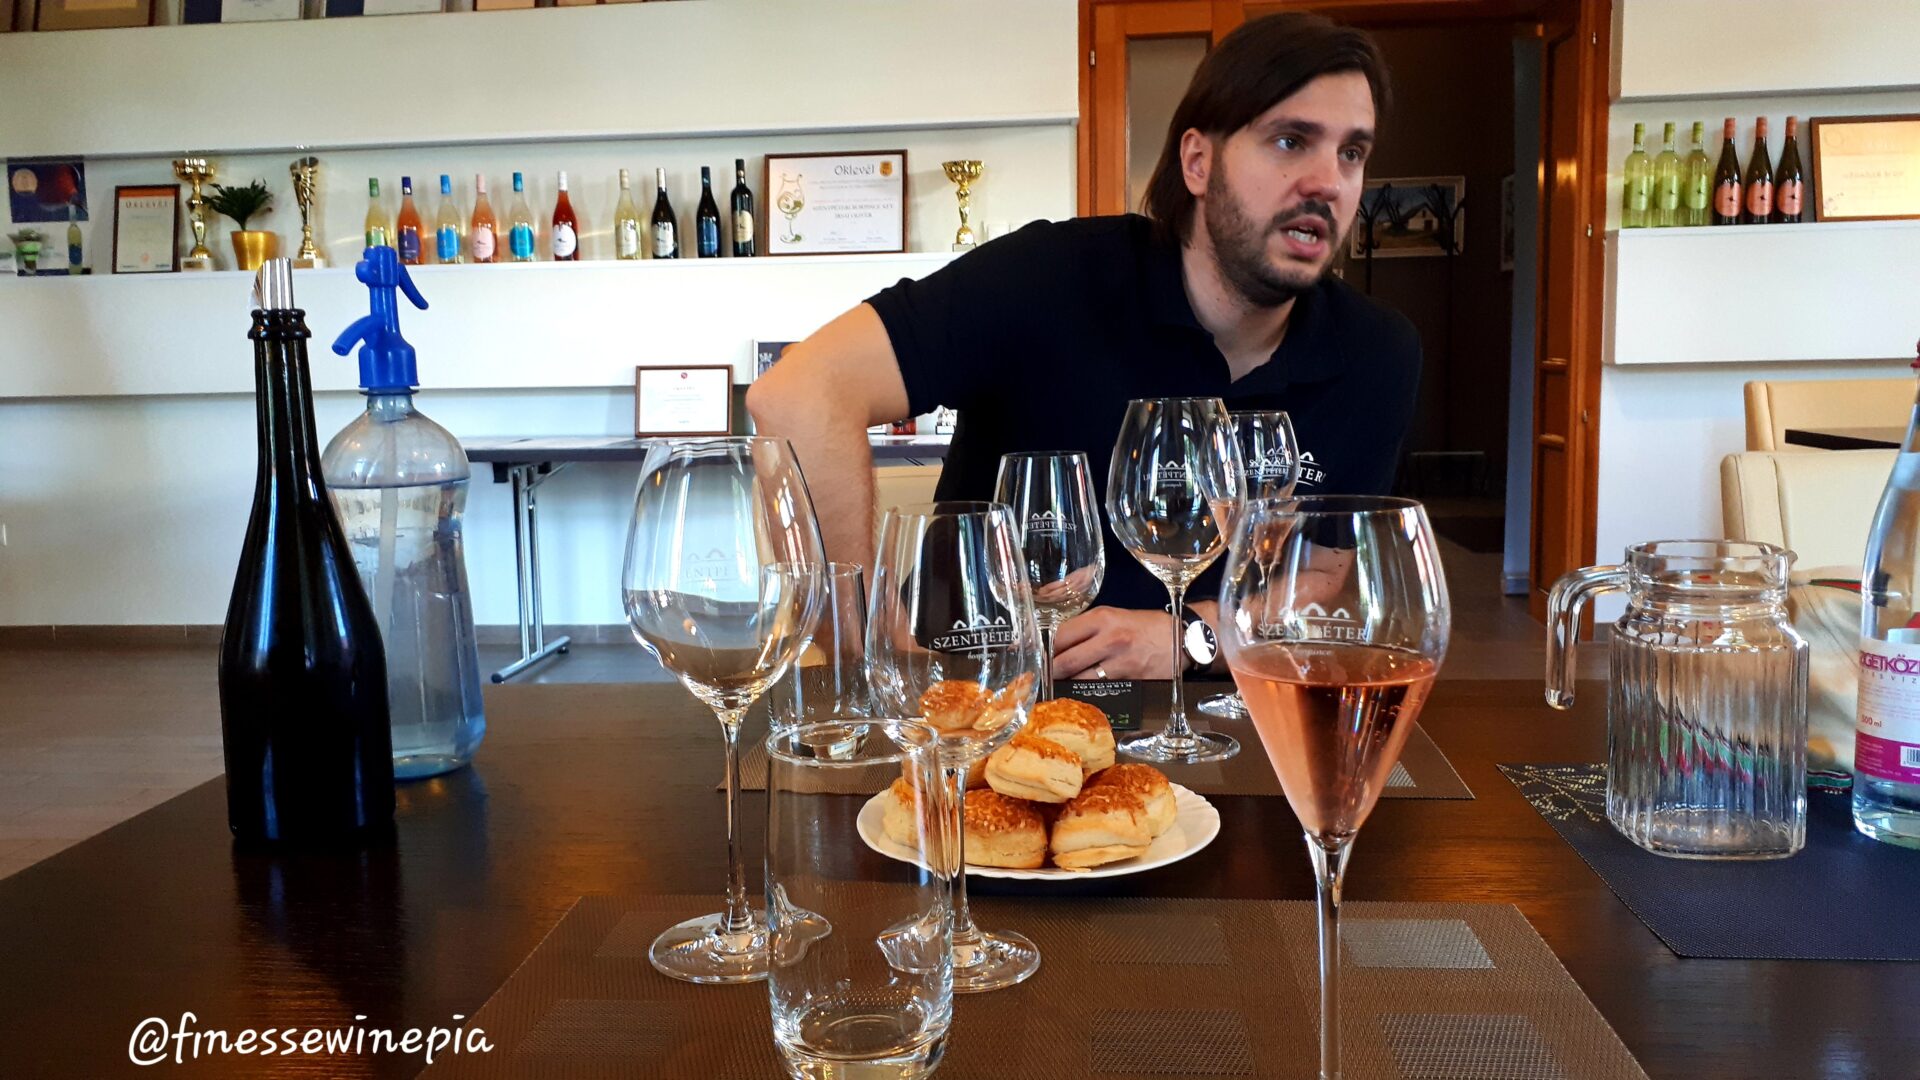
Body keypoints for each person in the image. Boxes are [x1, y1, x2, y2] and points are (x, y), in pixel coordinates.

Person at [747, 11, 1421, 681]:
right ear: (1198, 162)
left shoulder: (1377, 353)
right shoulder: (1049, 278)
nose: (1328, 182)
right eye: (1290, 141)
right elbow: (798, 393)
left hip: (1225, 712)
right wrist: (874, 651)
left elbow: (1321, 573)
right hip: (982, 699)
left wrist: (1189, 638)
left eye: (1352, 153)